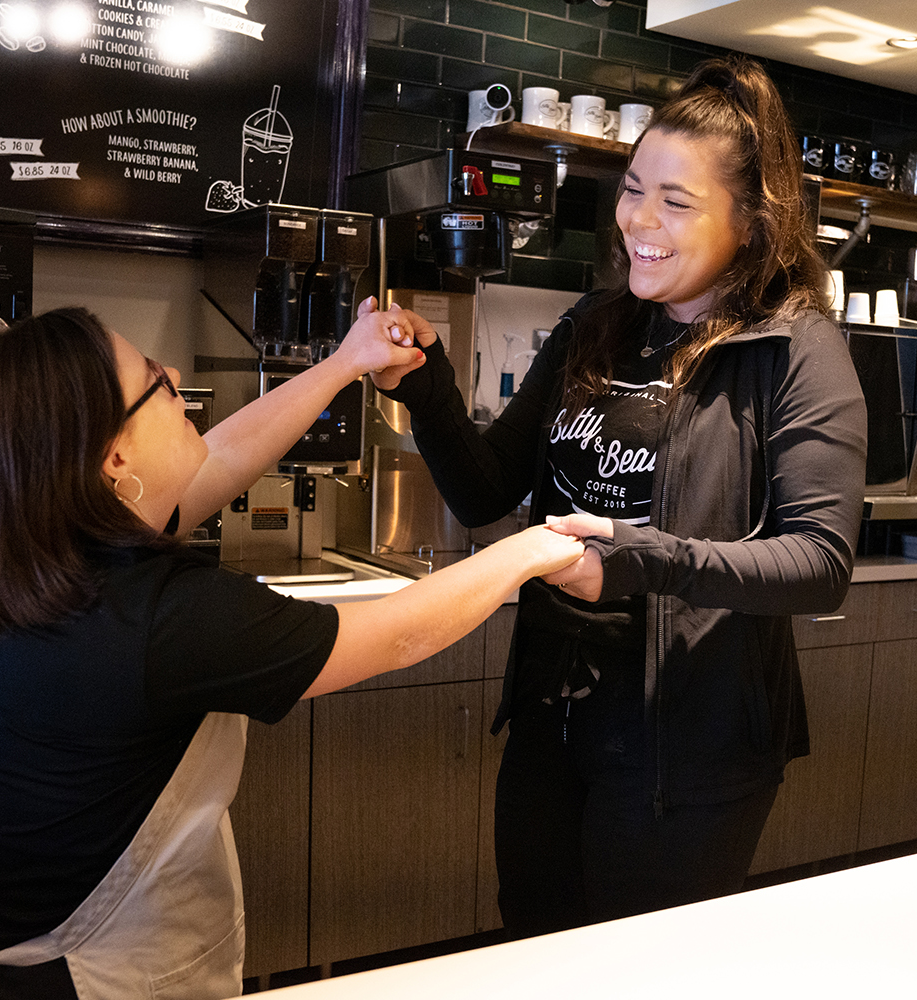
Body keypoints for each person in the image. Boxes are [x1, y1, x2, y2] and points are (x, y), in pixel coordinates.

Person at [0, 306, 584, 1000]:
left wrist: (347, 360)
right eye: (155, 383)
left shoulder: (39, 561)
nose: (175, 375)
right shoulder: (165, 618)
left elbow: (228, 455)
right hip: (98, 981)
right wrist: (539, 547)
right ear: (115, 456)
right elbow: (396, 635)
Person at [371, 55, 867, 936]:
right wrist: (425, 384)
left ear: (750, 224)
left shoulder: (795, 348)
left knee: (638, 970)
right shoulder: (593, 328)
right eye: (634, 189)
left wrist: (645, 561)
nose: (639, 220)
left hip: (686, 748)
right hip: (551, 725)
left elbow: (819, 565)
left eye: (677, 203)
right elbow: (487, 489)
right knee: (532, 941)